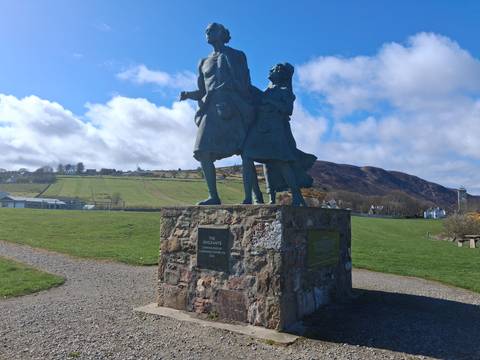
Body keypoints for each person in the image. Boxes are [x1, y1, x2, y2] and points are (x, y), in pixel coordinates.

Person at [180, 23, 257, 205]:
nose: (208, 32)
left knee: (246, 152)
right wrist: (188, 95)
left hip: (234, 106)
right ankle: (213, 196)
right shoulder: (203, 62)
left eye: (213, 30)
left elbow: (245, 83)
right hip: (211, 107)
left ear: (223, 34)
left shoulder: (237, 55)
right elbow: (202, 91)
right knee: (202, 150)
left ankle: (250, 197)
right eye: (206, 30)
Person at [242, 63, 317, 206]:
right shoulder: (267, 91)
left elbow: (288, 109)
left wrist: (269, 101)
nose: (271, 70)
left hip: (276, 129)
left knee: (281, 162)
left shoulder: (284, 91)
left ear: (283, 75)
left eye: (276, 69)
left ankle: (296, 195)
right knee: (247, 156)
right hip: (260, 129)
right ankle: (250, 197)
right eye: (272, 68)